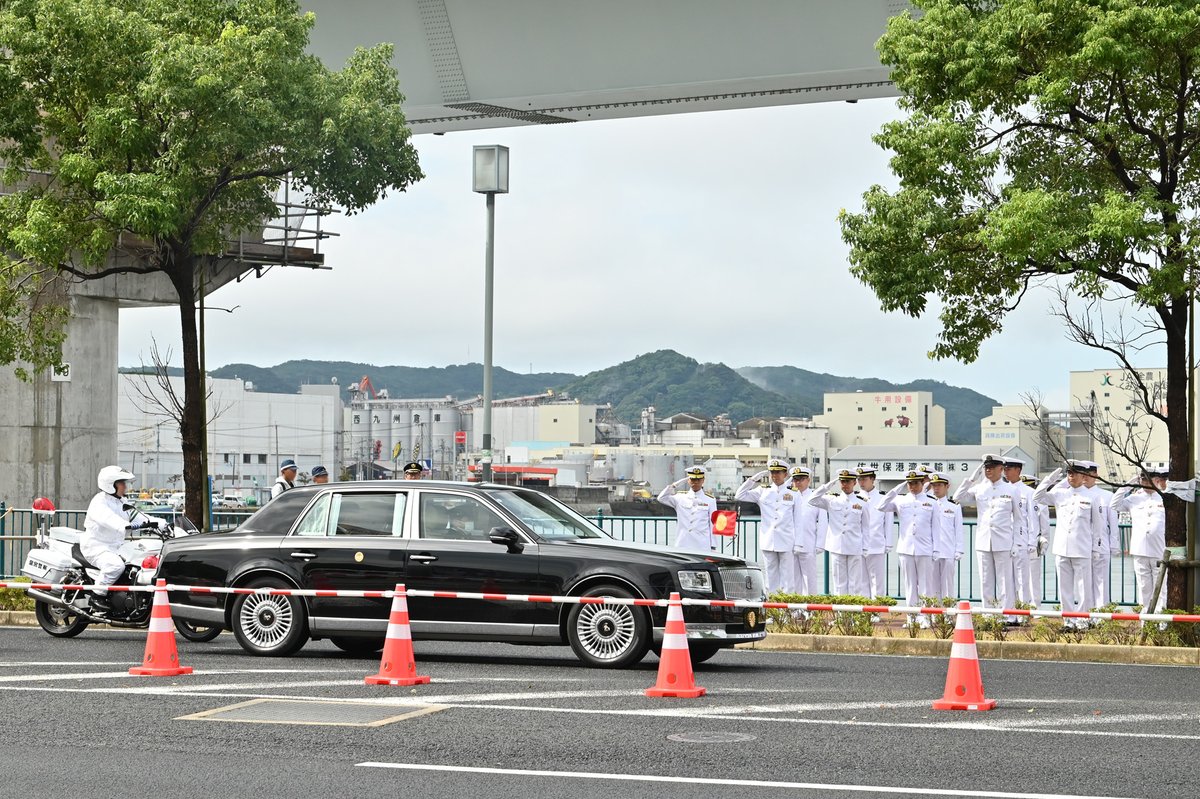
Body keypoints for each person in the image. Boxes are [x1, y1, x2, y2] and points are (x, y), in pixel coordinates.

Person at [82, 466, 167, 614]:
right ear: (111, 484)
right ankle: (97, 597)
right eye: (121, 482)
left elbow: (141, 517)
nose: (125, 486)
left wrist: (162, 523)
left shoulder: (122, 502)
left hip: (116, 546)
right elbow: (109, 520)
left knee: (138, 559)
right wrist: (125, 525)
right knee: (115, 566)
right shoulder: (99, 502)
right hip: (96, 546)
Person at [1034, 461, 1102, 629]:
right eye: (1069, 473)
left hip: (1082, 548)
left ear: (1083, 476)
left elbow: (1098, 527)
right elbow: (1037, 497)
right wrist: (1050, 480)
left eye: (1074, 473)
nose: (1071, 476)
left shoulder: (1092, 497)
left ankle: (1082, 620)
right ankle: (1068, 621)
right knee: (1064, 589)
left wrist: (1096, 548)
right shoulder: (1060, 494)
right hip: (1062, 548)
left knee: (1083, 589)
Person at [953, 453, 1020, 613]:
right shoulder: (979, 488)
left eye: (991, 468)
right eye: (986, 468)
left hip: (1004, 541)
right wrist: (970, 480)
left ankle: (1007, 615)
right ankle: (988, 614)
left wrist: (1017, 542)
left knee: (1005, 581)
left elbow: (1019, 519)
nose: (988, 471)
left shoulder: (1011, 489)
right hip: (983, 541)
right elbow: (957, 497)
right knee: (985, 581)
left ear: (1001, 469)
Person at [879, 470, 937, 622]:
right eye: (909, 483)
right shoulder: (900, 500)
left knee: (926, 586)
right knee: (910, 585)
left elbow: (936, 528)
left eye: (915, 483)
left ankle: (925, 617)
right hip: (906, 548)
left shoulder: (932, 501)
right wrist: (897, 489)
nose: (912, 486)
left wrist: (935, 549)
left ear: (921, 483)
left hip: (925, 548)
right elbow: (881, 506)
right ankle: (912, 617)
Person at [735, 458, 796, 595]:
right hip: (768, 540)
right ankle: (773, 612)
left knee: (788, 580)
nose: (775, 476)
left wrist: (797, 542)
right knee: (770, 579)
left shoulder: (794, 493)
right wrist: (753, 480)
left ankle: (787, 613)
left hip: (787, 540)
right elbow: (740, 495)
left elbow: (797, 520)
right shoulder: (762, 490)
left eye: (778, 472)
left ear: (785, 474)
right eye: (772, 472)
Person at [1112, 468, 1168, 615]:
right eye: (1142, 479)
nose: (1144, 482)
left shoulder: (1164, 497)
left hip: (1159, 549)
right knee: (1144, 588)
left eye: (1148, 479)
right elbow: (1114, 505)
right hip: (1140, 550)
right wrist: (1128, 485)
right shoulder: (1134, 498)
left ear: (1156, 480)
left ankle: (1161, 620)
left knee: (1161, 587)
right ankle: (1146, 620)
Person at [808, 469, 870, 595]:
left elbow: (866, 527)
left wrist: (865, 548)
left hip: (855, 546)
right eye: (842, 481)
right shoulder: (831, 500)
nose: (844, 484)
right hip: (837, 546)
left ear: (854, 482)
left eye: (847, 481)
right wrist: (828, 485)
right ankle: (841, 614)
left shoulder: (862, 502)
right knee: (839, 584)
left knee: (855, 584)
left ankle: (854, 613)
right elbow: (812, 499)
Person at [1080, 461, 1120, 609]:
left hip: (1101, 543)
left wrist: (1114, 545)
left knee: (1101, 582)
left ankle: (1101, 616)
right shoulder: (1077, 494)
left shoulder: (1107, 496)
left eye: (1088, 474)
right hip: (1081, 545)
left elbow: (1113, 522)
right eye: (1082, 474)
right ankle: (1085, 615)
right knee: (1083, 583)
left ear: (1095, 475)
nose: (1085, 478)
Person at [657, 465, 719, 553]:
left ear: (703, 480)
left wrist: (713, 546)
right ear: (688, 480)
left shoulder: (710, 500)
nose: (696, 482)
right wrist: (675, 485)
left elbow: (713, 524)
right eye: (693, 479)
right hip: (683, 543)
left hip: (702, 544)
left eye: (698, 479)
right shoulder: (680, 497)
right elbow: (661, 498)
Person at [1003, 457, 1036, 609]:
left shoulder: (1028, 492)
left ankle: (1023, 611)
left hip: (1021, 539)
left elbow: (1032, 518)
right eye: (1004, 469)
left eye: (1009, 469)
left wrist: (1032, 542)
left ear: (1018, 470)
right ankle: (1010, 611)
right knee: (1006, 579)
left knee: (1022, 578)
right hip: (1005, 539)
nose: (1005, 472)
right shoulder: (1002, 489)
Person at [788, 466, 826, 595]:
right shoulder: (788, 496)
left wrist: (820, 544)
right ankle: (795, 611)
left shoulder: (815, 497)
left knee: (809, 579)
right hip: (790, 544)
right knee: (792, 580)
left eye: (801, 479)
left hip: (808, 543)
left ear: (808, 480)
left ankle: (810, 611)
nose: (798, 482)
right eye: (795, 479)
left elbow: (823, 522)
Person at [856, 467, 892, 599]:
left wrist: (888, 543)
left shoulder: (883, 498)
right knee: (861, 581)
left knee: (877, 581)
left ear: (873, 479)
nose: (861, 482)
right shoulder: (855, 497)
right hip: (858, 544)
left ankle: (876, 611)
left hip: (876, 544)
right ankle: (864, 612)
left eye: (864, 479)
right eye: (859, 479)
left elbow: (888, 521)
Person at [928, 471, 964, 599]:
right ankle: (934, 613)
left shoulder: (954, 507)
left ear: (947, 486)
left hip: (948, 550)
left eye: (939, 485)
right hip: (931, 550)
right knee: (932, 585)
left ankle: (948, 616)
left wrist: (959, 549)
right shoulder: (928, 504)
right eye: (934, 485)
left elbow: (958, 529)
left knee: (948, 584)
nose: (936, 488)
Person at [1021, 474, 1050, 606]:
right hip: (1018, 541)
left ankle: (1035, 606)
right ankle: (1020, 605)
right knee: (1018, 577)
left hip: (1034, 541)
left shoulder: (1040, 502)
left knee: (1033, 577)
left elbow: (1044, 526)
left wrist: (1044, 543)